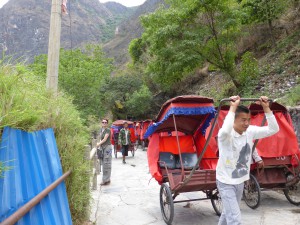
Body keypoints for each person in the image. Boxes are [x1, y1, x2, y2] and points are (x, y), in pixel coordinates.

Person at [216, 96, 279, 225]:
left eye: (248, 120)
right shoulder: (225, 135)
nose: (246, 123)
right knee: (235, 219)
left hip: (240, 181)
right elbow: (225, 129)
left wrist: (266, 108)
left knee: (227, 213)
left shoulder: (249, 131)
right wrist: (232, 107)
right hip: (225, 181)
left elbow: (273, 129)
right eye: (243, 120)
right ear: (233, 119)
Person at [96, 118, 112, 185]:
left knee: (107, 163)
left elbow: (105, 139)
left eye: (105, 122)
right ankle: (107, 179)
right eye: (103, 122)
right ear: (101, 123)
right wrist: (99, 144)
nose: (104, 123)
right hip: (103, 148)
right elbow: (100, 138)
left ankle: (105, 180)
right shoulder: (101, 130)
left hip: (107, 147)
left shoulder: (108, 130)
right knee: (103, 163)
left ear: (107, 123)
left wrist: (98, 144)